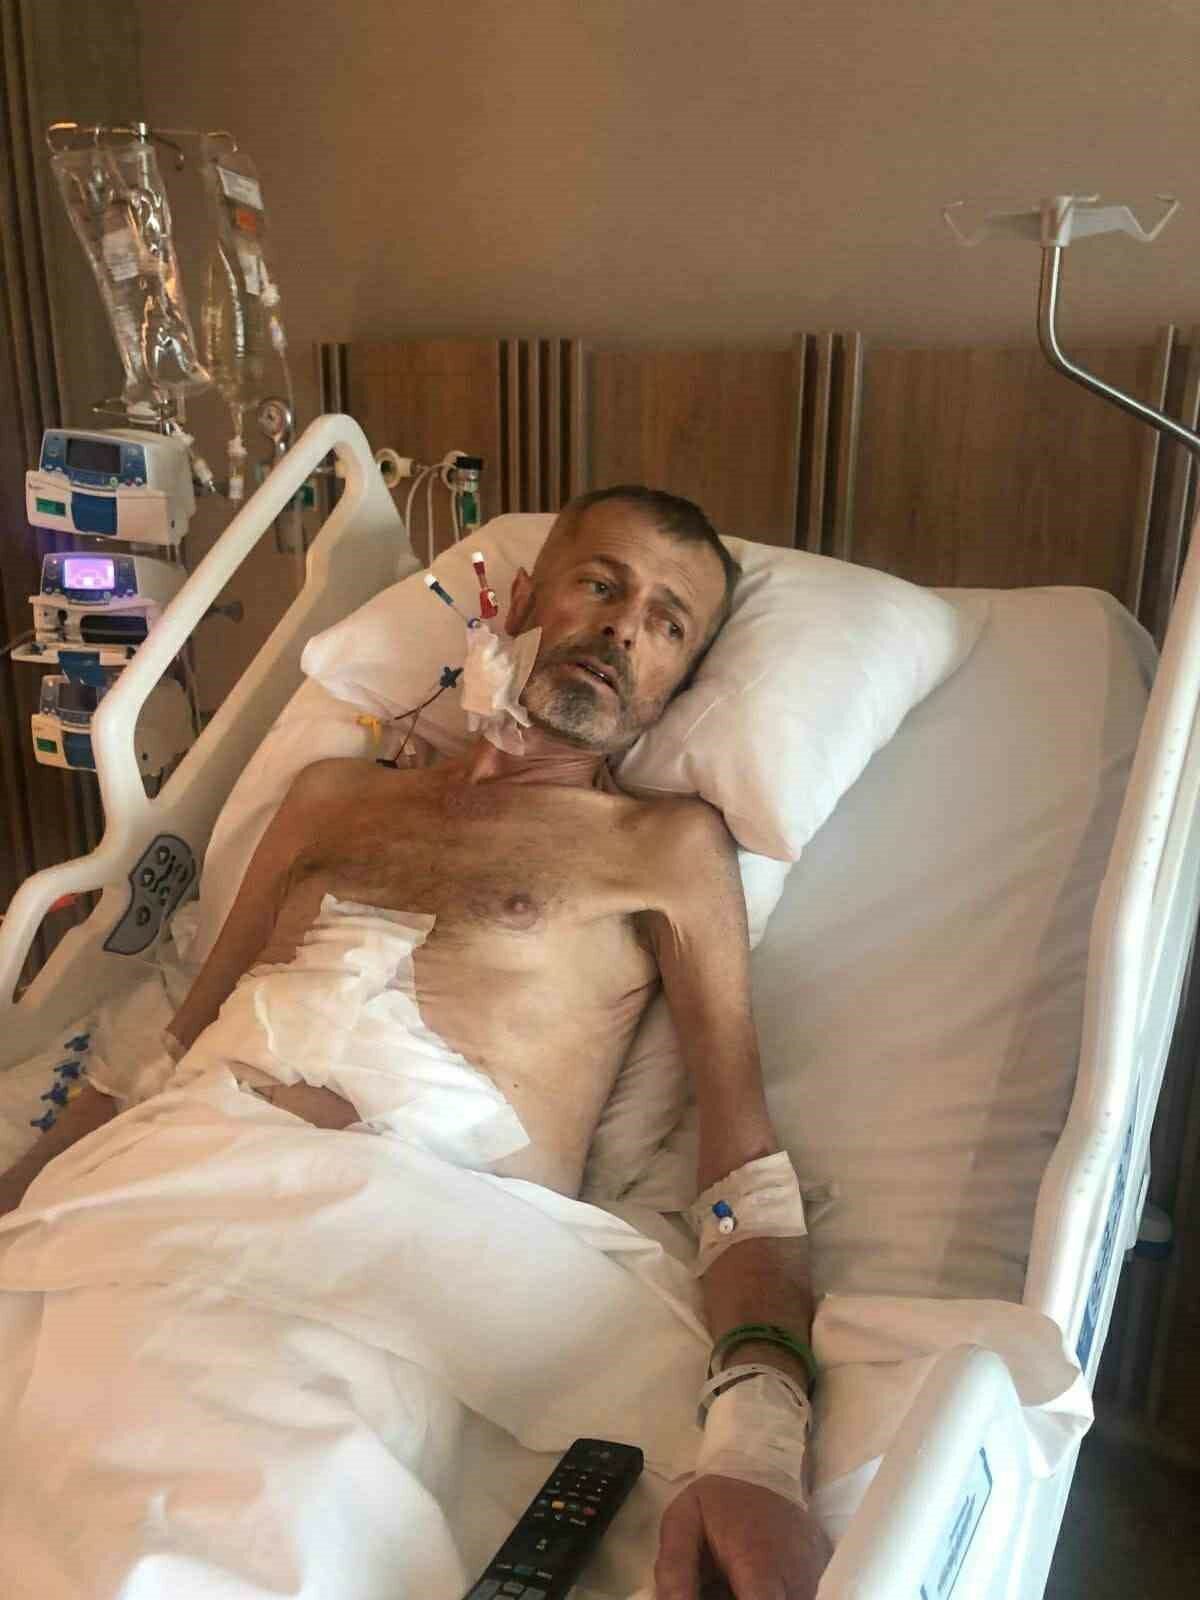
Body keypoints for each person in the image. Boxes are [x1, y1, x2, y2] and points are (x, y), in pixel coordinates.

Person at [0, 486, 831, 1599]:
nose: (624, 630)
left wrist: (760, 1449)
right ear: (524, 601)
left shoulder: (664, 847)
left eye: (668, 624)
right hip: (159, 1188)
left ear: (677, 684)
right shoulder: (330, 799)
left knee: (213, 1537)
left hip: (406, 1240)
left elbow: (743, 1171)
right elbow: (165, 1043)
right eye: (602, 584)